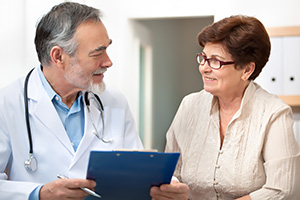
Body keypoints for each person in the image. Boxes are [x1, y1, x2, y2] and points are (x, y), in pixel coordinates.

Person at [0, 2, 143, 199]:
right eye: (97, 53)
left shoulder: (114, 102)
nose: (108, 61)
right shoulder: (6, 104)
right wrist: (39, 193)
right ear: (58, 56)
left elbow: (138, 173)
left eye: (107, 49)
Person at [150, 15, 300, 199]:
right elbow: (172, 173)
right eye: (203, 58)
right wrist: (172, 188)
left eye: (215, 61)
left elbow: (283, 190)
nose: (204, 68)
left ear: (247, 70)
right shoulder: (189, 106)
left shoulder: (273, 113)